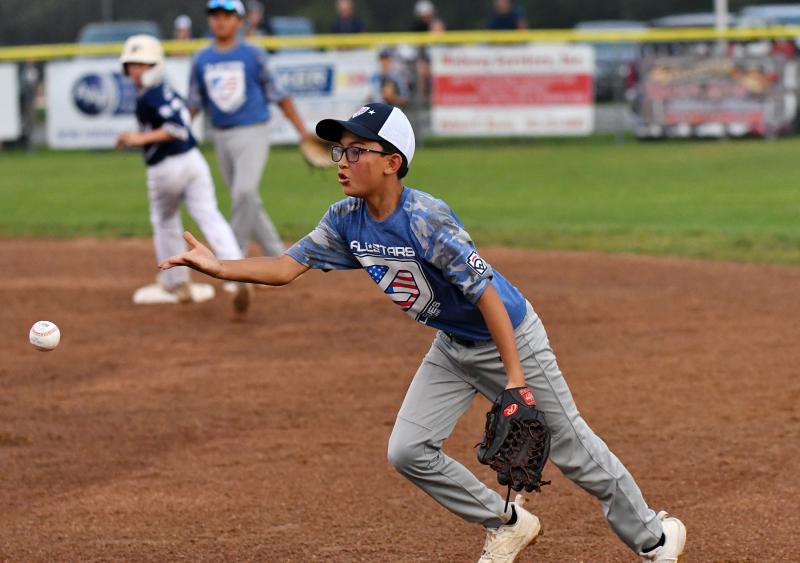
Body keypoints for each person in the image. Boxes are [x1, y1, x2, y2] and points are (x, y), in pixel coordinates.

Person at [159, 103, 687, 562]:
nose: (341, 161)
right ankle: (507, 523)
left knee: (572, 449)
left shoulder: (426, 220)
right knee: (408, 450)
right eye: (339, 151)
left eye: (355, 151)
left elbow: (486, 295)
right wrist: (220, 267)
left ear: (392, 163)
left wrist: (516, 379)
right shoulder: (346, 219)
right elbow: (286, 265)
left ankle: (654, 540)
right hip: (453, 346)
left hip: (510, 335)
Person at [115, 34, 251, 313]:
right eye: (131, 65)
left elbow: (177, 127)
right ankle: (238, 274)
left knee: (165, 221)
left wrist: (137, 139)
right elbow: (182, 121)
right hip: (193, 160)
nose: (134, 70)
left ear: (155, 65)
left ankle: (177, 283)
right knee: (210, 215)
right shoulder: (165, 90)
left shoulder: (148, 96)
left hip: (165, 168)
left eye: (141, 64)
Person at [188, 0, 312, 262]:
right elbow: (194, 103)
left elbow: (280, 95)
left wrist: (303, 132)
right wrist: (177, 132)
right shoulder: (201, 59)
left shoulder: (253, 54)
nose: (220, 20)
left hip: (253, 130)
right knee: (248, 200)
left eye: (227, 15)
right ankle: (278, 257)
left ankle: (233, 260)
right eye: (215, 15)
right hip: (221, 135)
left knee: (243, 193)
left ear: (240, 21)